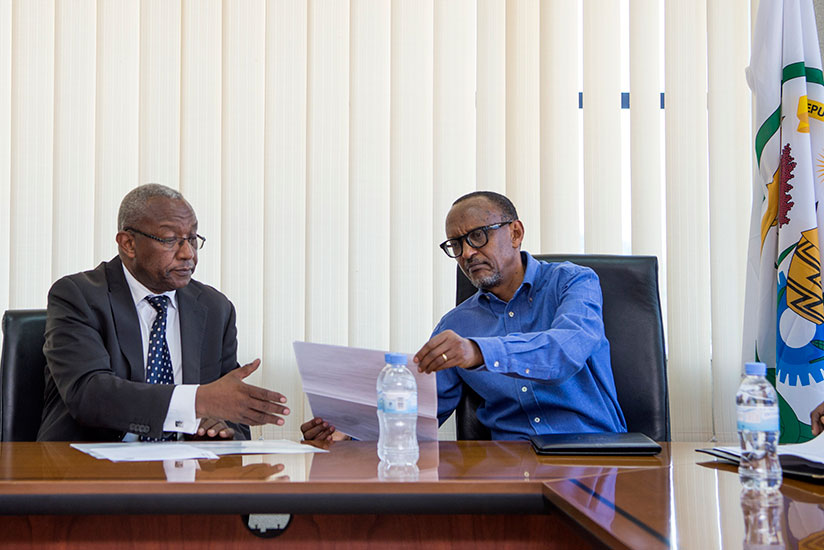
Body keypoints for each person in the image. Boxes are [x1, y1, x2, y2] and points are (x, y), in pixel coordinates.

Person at [302, 191, 625, 441]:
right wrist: (349, 431)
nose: (468, 253)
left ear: (515, 233)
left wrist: (479, 351)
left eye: (478, 236)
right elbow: (423, 412)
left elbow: (565, 350)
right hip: (507, 464)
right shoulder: (457, 325)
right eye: (456, 244)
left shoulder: (573, 281)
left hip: (592, 453)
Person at [38, 184, 290, 441]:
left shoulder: (214, 308)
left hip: (184, 470)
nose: (187, 253)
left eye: (192, 238)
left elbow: (229, 414)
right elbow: (89, 394)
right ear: (128, 244)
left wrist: (219, 430)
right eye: (170, 240)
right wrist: (196, 402)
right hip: (90, 467)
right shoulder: (78, 296)